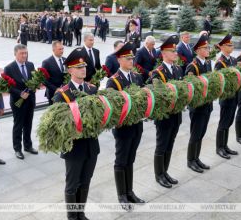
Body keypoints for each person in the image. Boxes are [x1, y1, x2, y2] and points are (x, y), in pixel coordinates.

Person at [52, 47, 100, 220]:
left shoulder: (92, 90)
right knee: (72, 184)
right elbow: (57, 124)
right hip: (73, 148)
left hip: (91, 146)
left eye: (84, 67)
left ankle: (81, 213)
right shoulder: (62, 94)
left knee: (85, 182)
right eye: (79, 67)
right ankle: (72, 216)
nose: (83, 70)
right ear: (70, 70)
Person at [106, 42, 145, 211]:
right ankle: (121, 195)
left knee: (131, 159)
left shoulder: (136, 77)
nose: (131, 60)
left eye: (132, 58)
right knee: (121, 161)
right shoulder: (113, 81)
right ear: (119, 59)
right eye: (128, 58)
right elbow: (113, 107)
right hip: (123, 128)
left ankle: (130, 191)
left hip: (137, 125)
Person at [147, 35, 183, 188]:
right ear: (163, 54)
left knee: (170, 144)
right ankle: (158, 175)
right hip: (164, 117)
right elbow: (157, 97)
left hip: (176, 115)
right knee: (162, 145)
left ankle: (165, 171)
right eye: (172, 51)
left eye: (175, 51)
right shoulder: (158, 73)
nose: (175, 53)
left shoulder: (178, 69)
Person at [184, 33, 212, 173]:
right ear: (198, 50)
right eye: (206, 48)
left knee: (201, 133)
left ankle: (197, 158)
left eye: (208, 47)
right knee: (195, 134)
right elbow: (190, 88)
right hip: (198, 106)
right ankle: (191, 160)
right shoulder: (192, 67)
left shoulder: (207, 63)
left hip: (207, 105)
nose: (208, 50)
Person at [4, 44, 38, 159]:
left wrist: (35, 86)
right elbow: (7, 86)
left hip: (30, 100)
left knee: (28, 124)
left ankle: (28, 145)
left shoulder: (30, 65)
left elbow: (34, 80)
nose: (24, 55)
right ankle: (17, 149)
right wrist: (20, 93)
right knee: (18, 125)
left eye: (26, 53)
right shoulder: (9, 68)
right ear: (15, 54)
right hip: (18, 101)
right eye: (22, 53)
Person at [214, 33, 239, 159]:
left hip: (234, 96)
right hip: (226, 97)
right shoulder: (220, 63)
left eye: (232, 44)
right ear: (223, 47)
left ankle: (225, 145)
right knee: (223, 122)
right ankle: (219, 148)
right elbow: (218, 82)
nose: (232, 46)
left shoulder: (233, 60)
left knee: (229, 122)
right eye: (229, 45)